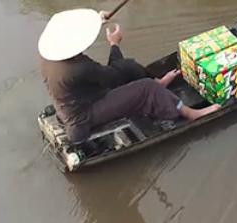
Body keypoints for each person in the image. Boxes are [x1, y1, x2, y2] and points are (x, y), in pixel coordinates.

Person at [38, 8, 220, 144]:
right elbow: (114, 76)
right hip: (83, 119)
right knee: (145, 87)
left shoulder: (48, 57)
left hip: (74, 106)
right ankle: (192, 113)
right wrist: (114, 44)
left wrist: (98, 22)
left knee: (128, 67)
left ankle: (158, 85)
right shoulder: (79, 67)